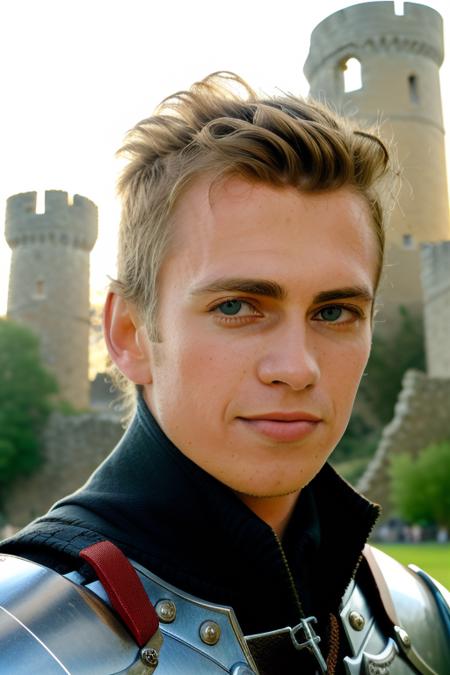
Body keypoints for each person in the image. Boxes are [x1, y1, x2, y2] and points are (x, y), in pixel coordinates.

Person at [0, 72, 448, 675]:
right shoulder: (22, 642)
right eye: (236, 306)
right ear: (130, 335)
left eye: (335, 311)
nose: (297, 368)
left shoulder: (418, 619)